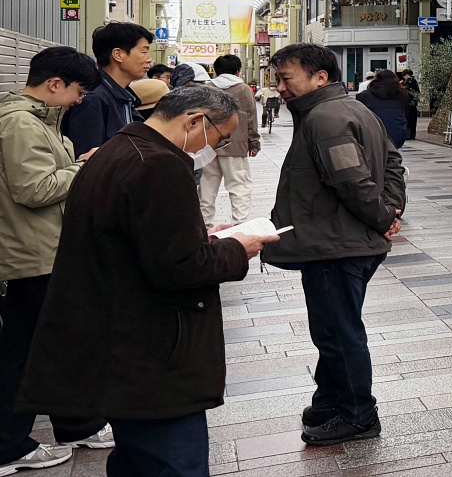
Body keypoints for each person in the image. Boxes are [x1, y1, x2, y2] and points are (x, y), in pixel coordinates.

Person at [17, 86, 277, 477]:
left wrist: (203, 236)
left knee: (137, 458)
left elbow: (138, 237)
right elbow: (179, 267)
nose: (215, 148)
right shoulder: (160, 165)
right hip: (153, 350)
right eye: (219, 138)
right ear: (194, 120)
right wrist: (238, 248)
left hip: (118, 338)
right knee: (173, 462)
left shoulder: (118, 149)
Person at [262, 44, 406, 446]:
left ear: (319, 77)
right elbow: (394, 164)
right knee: (335, 329)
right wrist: (392, 210)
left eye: (286, 78)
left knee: (338, 333)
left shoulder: (325, 118)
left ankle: (358, 414)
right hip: (344, 241)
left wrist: (383, 217)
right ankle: (328, 401)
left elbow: (351, 180)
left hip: (336, 245)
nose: (280, 88)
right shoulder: (355, 109)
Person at [0, 48, 113, 475]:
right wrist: (85, 167)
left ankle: (76, 423)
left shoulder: (35, 120)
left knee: (61, 344)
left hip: (44, 252)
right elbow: (34, 189)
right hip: (29, 258)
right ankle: (8, 444)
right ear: (54, 84)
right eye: (77, 91)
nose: (78, 101)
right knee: (25, 353)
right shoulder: (20, 124)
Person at [61, 22, 153, 155]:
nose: (149, 59)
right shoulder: (93, 99)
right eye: (144, 51)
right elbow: (87, 160)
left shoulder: (124, 97)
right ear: (118, 54)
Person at [199, 55, 262, 230]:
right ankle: (239, 225)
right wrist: (253, 141)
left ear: (216, 71)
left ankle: (204, 226)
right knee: (239, 187)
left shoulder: (207, 88)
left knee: (207, 188)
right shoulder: (243, 89)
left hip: (208, 146)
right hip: (235, 146)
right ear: (237, 71)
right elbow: (250, 117)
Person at [356, 70, 411, 148]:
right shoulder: (402, 95)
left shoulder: (364, 96)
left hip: (373, 136)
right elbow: (406, 113)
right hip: (397, 134)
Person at [399, 70, 421, 140]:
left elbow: (406, 90)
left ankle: (408, 135)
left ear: (407, 75)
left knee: (408, 119)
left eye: (404, 76)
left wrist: (401, 85)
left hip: (409, 104)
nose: (404, 78)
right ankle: (412, 135)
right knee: (412, 120)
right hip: (412, 104)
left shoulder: (410, 81)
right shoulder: (413, 81)